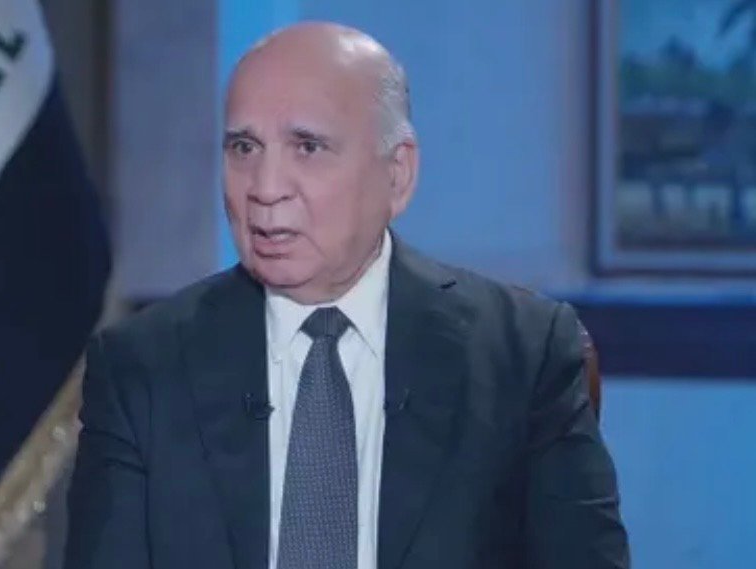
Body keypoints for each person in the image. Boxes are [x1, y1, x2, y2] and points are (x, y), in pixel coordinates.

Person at [65, 21, 629, 569]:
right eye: (244, 147)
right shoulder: (141, 367)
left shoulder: (521, 355)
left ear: (397, 174)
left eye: (307, 146)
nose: (265, 188)